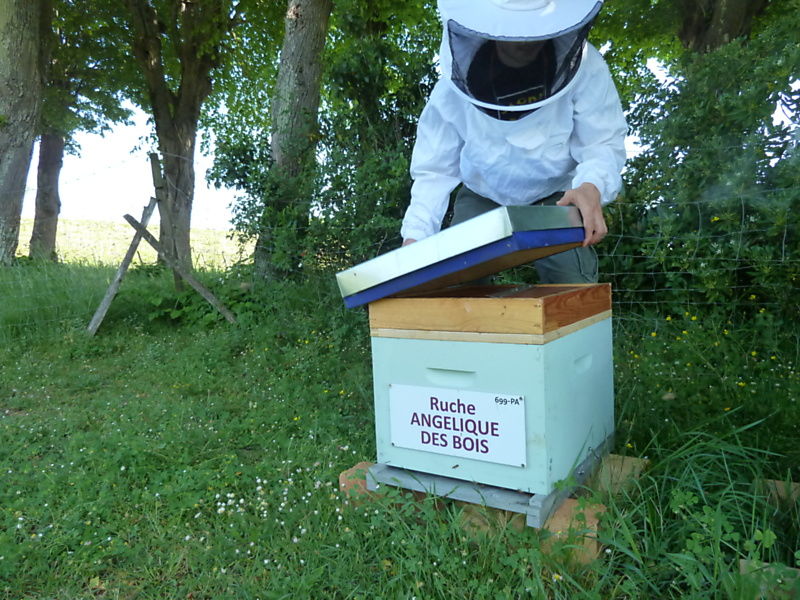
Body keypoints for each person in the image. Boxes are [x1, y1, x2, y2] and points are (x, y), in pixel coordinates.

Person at [400, 0, 628, 284]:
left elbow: (602, 141)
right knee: (456, 282)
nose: (525, 38)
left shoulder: (585, 66)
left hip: (555, 195)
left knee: (573, 286)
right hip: (481, 194)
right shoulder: (451, 87)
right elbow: (434, 170)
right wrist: (415, 238)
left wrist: (592, 185)